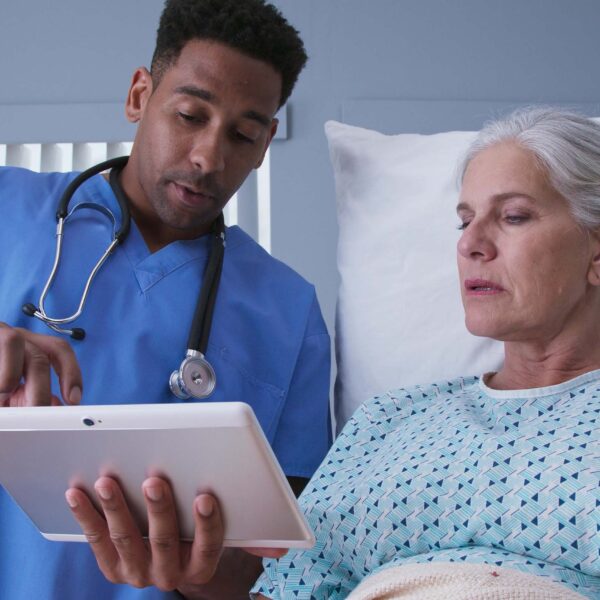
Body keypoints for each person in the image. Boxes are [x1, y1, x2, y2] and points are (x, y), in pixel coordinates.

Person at [0, 1, 332, 598]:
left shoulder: (290, 312)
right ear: (139, 95)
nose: (209, 157)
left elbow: (286, 567)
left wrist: (198, 570)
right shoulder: (6, 206)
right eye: (188, 115)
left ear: (265, 144)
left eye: (243, 135)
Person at [252, 107, 600, 599]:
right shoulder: (389, 419)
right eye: (464, 222)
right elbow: (292, 587)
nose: (471, 244)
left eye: (513, 216)